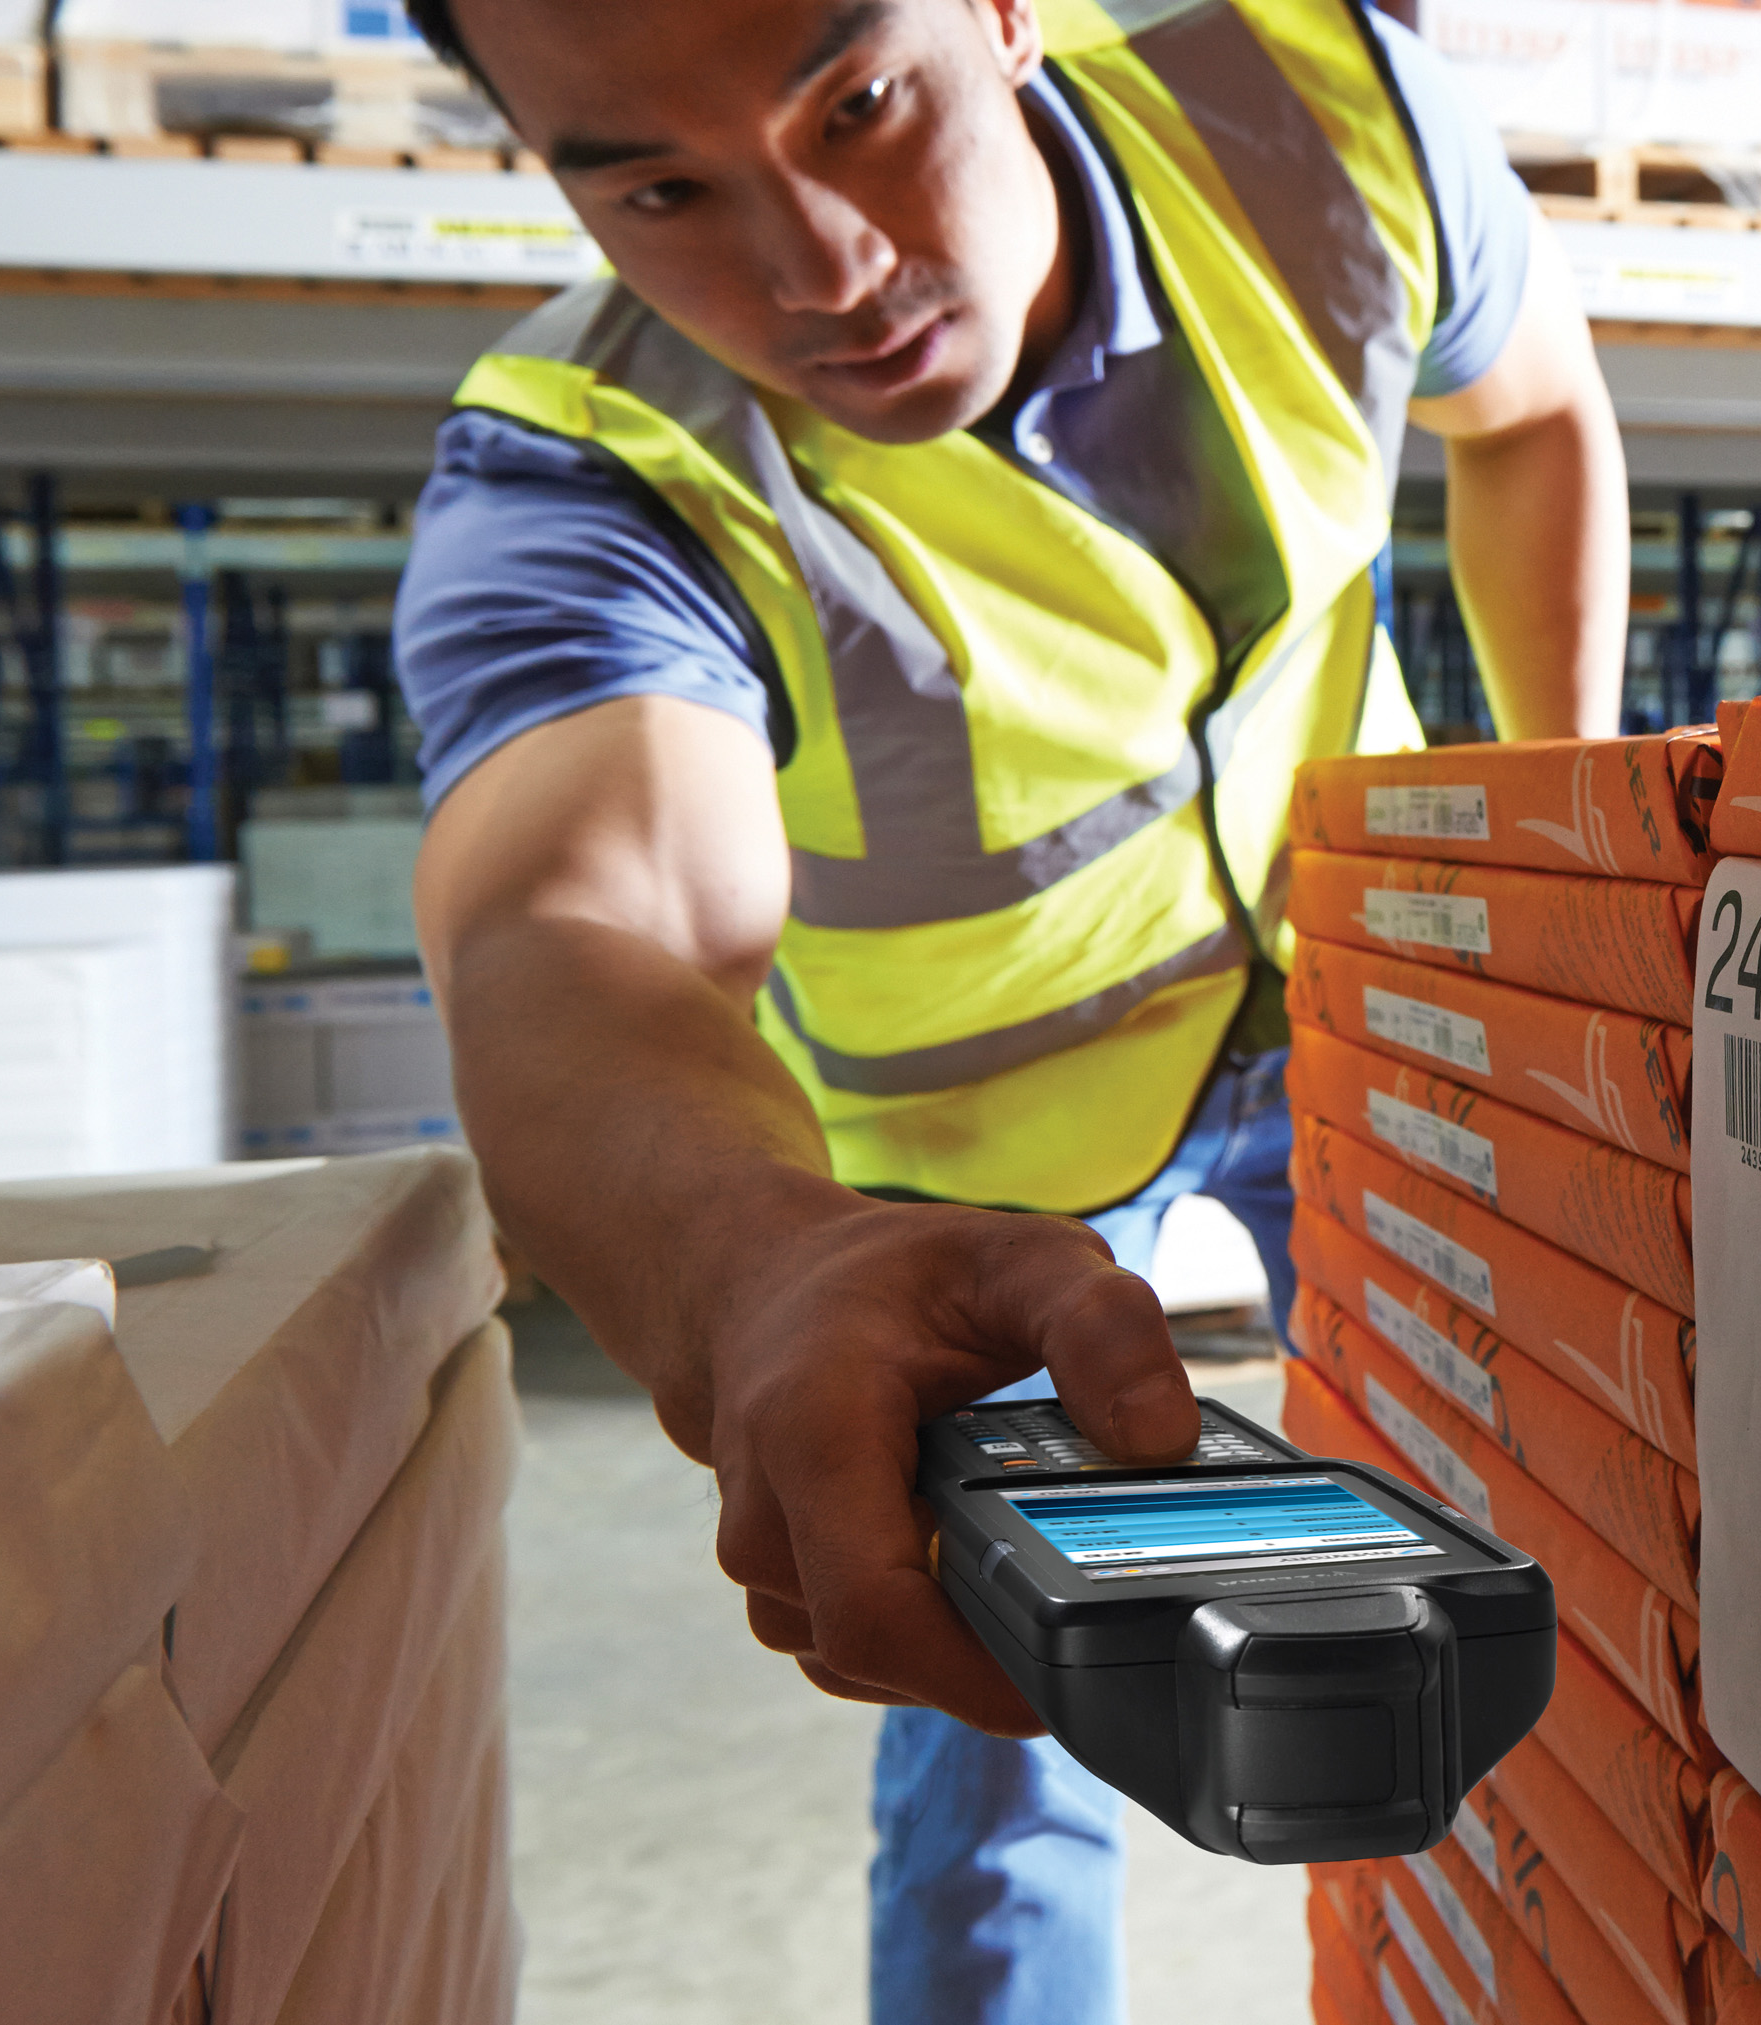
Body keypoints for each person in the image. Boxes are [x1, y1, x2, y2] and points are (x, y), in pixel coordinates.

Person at [385, 0, 1628, 2013]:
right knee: (1006, 1704)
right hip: (972, 1203)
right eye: (658, 186)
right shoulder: (592, 473)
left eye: (857, 105)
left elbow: (1536, 418)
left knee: (1538, 1570)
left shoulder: (1324, 119)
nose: (820, 269)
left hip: (1380, 1023)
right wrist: (757, 1256)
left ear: (1001, 13)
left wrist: (1576, 847)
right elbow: (578, 920)